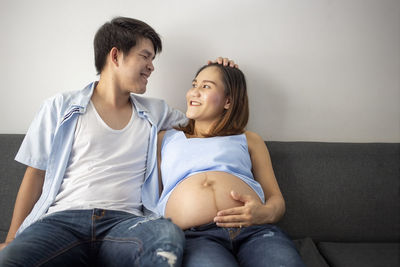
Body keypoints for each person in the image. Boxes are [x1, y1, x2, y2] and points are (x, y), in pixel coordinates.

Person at [0, 16, 234, 266]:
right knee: (12, 259)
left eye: (152, 59)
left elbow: (202, 123)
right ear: (115, 56)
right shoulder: (60, 107)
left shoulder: (156, 112)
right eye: (145, 56)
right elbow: (35, 174)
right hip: (62, 221)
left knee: (167, 236)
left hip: (126, 225)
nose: (151, 66)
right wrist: (13, 236)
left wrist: (224, 77)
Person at [157, 63, 305, 266]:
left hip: (253, 230)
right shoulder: (164, 139)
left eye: (206, 86)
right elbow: (153, 196)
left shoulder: (249, 139)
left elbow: (276, 201)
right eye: (194, 84)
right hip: (196, 237)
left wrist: (263, 213)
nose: (194, 92)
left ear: (228, 101)